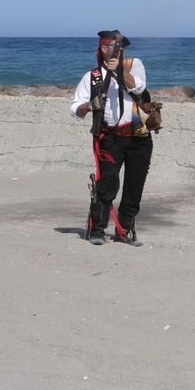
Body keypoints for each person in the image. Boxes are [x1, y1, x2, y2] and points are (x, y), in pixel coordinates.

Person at [70, 30, 153, 246]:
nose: (111, 50)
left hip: (138, 136)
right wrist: (89, 106)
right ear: (101, 49)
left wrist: (119, 71)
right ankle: (97, 228)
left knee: (134, 187)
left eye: (116, 46)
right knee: (107, 184)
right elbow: (75, 108)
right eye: (107, 46)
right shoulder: (92, 77)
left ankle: (125, 230)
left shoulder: (134, 65)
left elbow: (139, 87)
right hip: (110, 138)